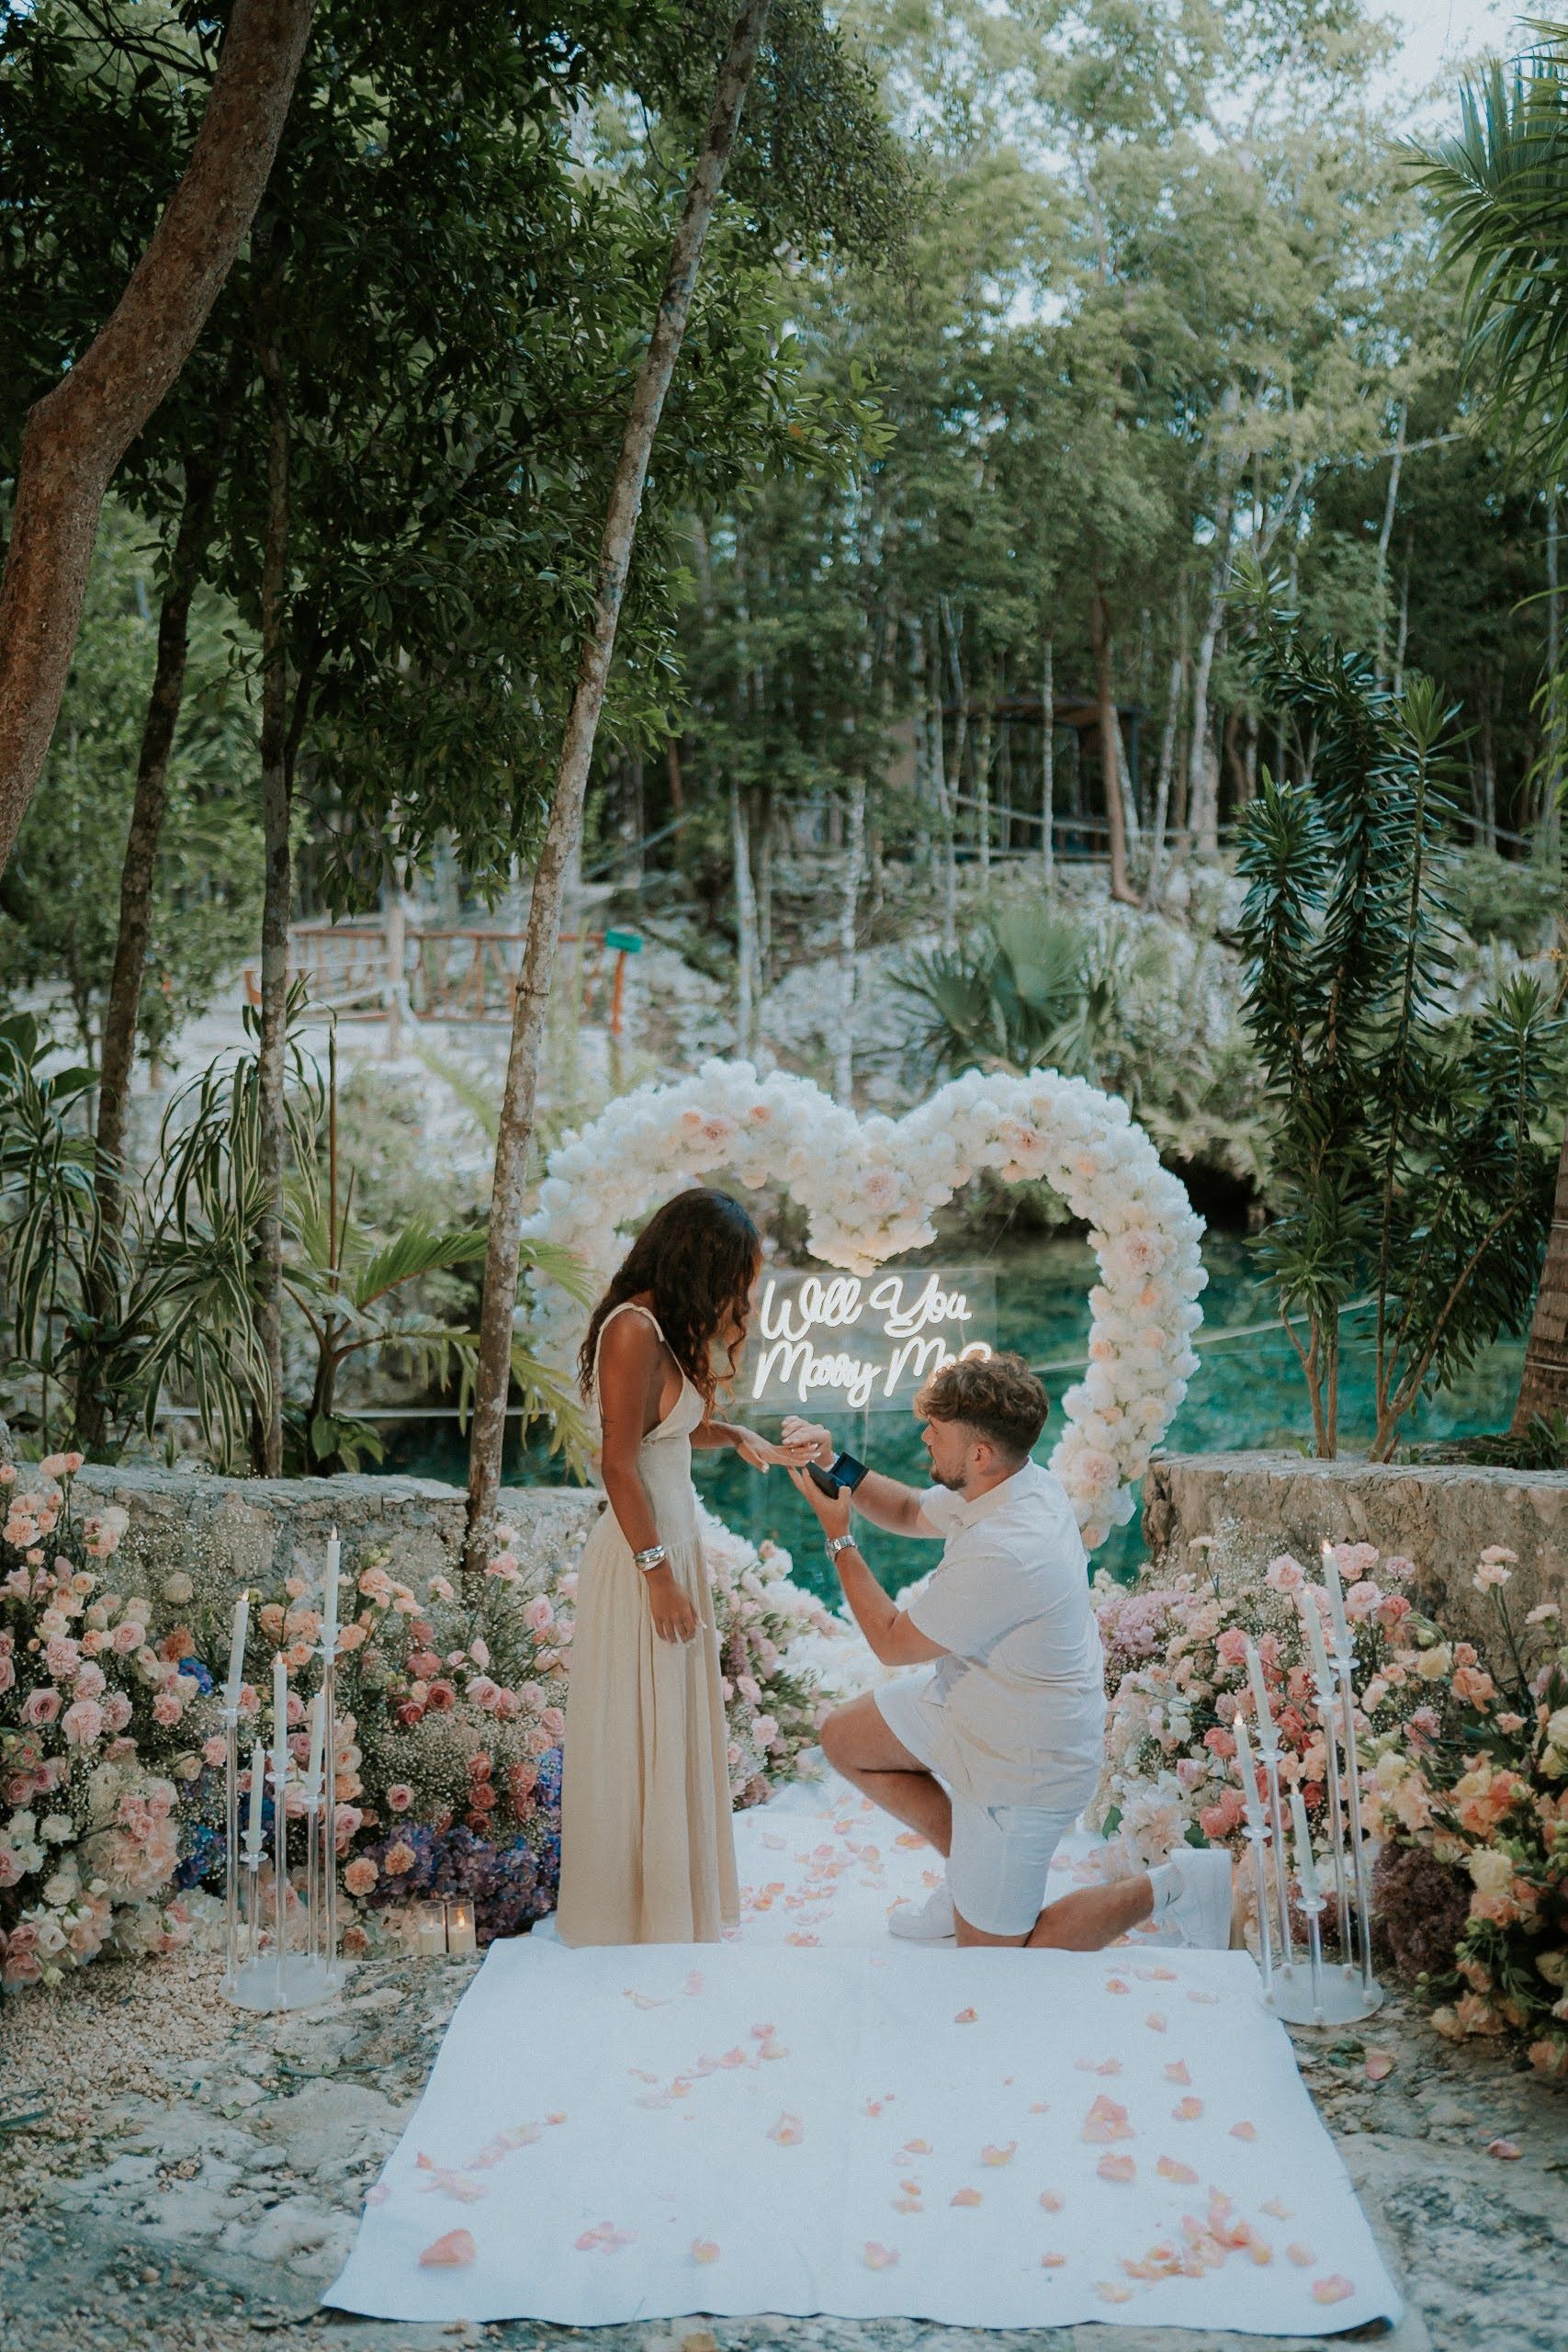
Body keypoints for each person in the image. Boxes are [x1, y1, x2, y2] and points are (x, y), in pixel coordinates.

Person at [784, 1352, 1233, 1953]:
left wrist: (838, 1535)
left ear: (979, 1454)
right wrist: (831, 1463)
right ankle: (970, 1875)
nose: (923, 1438)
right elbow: (909, 1510)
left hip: (1026, 1761)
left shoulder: (1010, 1548)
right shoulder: (1014, 1478)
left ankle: (1178, 1885)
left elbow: (891, 1641)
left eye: (935, 1431)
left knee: (998, 1957)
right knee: (845, 1738)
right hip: (972, 1704)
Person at [556, 1189, 815, 1946]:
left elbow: (663, 1431)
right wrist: (659, 1577)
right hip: (644, 1558)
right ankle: (627, 1910)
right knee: (639, 1728)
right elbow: (617, 1462)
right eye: (734, 1273)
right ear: (700, 1260)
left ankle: (667, 1902)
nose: (740, 1293)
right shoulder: (631, 1329)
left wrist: (731, 1434)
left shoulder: (662, 1328)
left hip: (672, 1548)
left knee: (667, 1724)